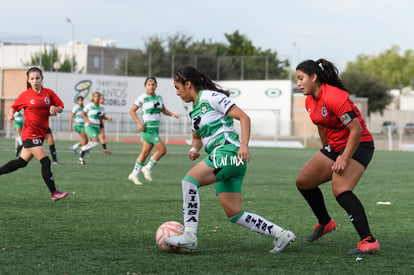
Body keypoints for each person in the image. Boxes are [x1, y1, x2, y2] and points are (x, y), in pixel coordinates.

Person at [163, 66, 295, 253]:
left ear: (188, 84)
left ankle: (189, 236)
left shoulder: (210, 97)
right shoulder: (193, 110)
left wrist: (244, 145)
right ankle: (281, 234)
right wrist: (194, 149)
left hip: (228, 153)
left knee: (188, 182)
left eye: (177, 88)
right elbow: (196, 138)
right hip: (229, 161)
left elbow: (244, 117)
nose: (177, 93)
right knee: (235, 214)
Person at [295, 59, 379, 255]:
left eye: (301, 78)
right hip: (335, 147)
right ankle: (326, 223)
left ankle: (368, 241)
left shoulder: (334, 96)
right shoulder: (309, 100)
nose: (298, 83)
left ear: (314, 77)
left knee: (341, 188)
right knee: (304, 182)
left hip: (359, 144)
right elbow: (320, 123)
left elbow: (356, 129)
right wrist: (327, 148)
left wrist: (343, 158)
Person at [0, 67, 68, 201]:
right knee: (46, 161)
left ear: (42, 79)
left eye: (37, 78)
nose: (35, 81)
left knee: (21, 162)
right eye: (32, 79)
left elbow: (60, 107)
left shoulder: (48, 94)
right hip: (30, 133)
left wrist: (56, 109)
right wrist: (11, 115)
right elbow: (14, 107)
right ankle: (54, 193)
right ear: (28, 80)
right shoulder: (25, 95)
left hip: (40, 133)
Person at [128, 76, 179, 185]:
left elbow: (163, 110)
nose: (151, 87)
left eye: (153, 84)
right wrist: (139, 123)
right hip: (147, 129)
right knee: (162, 150)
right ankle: (147, 167)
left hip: (155, 129)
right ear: (145, 86)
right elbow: (132, 111)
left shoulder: (159, 97)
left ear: (156, 86)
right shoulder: (142, 98)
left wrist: (172, 114)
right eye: (149, 85)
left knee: (145, 153)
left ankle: (134, 174)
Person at [78, 91, 110, 165]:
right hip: (89, 126)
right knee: (95, 142)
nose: (97, 98)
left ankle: (81, 158)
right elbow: (83, 114)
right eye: (95, 96)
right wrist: (88, 121)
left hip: (97, 126)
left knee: (91, 143)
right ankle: (82, 149)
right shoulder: (89, 105)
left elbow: (101, 116)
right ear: (93, 98)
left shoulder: (102, 107)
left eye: (98, 96)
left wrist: (107, 118)